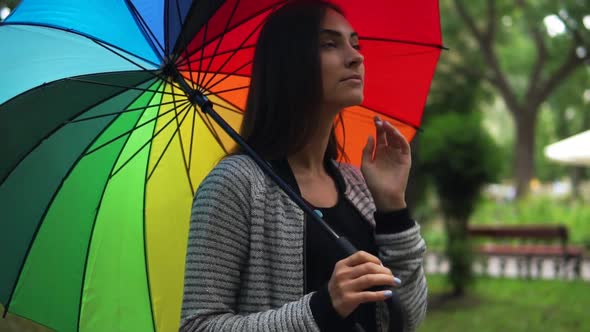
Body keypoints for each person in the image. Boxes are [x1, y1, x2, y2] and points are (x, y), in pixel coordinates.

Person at [180, 1, 427, 331]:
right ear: (289, 63)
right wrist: (322, 308)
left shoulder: (357, 184)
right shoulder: (235, 184)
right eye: (330, 44)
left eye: (355, 43)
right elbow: (198, 325)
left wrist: (392, 206)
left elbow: (409, 317)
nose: (356, 57)